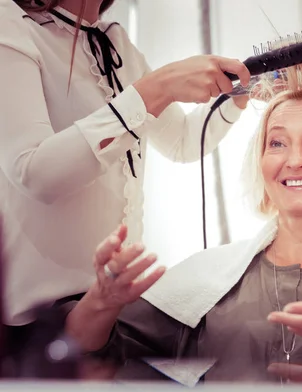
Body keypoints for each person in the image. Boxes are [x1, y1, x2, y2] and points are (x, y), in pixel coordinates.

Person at [64, 61, 302, 385]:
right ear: (263, 165)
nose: (295, 160)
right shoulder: (203, 281)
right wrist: (101, 300)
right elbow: (86, 354)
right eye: (277, 143)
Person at [0, 0, 252, 343]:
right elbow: (35, 173)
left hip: (120, 306)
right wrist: (155, 89)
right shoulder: (11, 24)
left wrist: (237, 97)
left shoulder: (117, 43)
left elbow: (182, 142)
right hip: (39, 325)